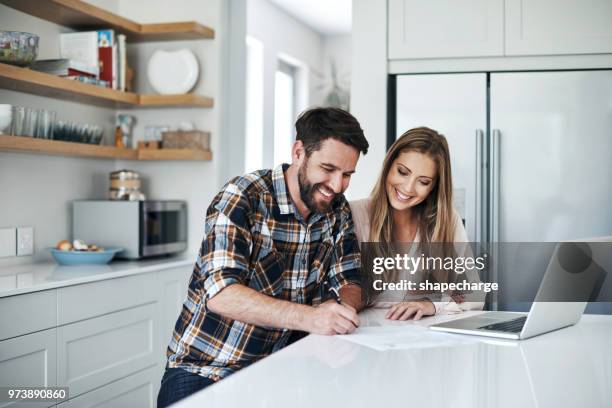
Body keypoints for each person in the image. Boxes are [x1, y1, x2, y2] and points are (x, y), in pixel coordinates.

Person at [157, 107, 369, 407]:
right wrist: (311, 317)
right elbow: (221, 294)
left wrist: (343, 310)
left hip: (283, 367)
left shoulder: (337, 209)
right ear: (299, 152)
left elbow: (350, 278)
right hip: (208, 369)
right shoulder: (243, 197)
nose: (337, 185)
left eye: (347, 175)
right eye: (329, 169)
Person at [350, 127, 484, 321]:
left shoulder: (447, 220)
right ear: (388, 165)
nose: (408, 188)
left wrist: (432, 303)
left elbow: (476, 293)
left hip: (423, 340)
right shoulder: (354, 214)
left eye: (423, 181)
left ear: (433, 188)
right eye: (402, 172)